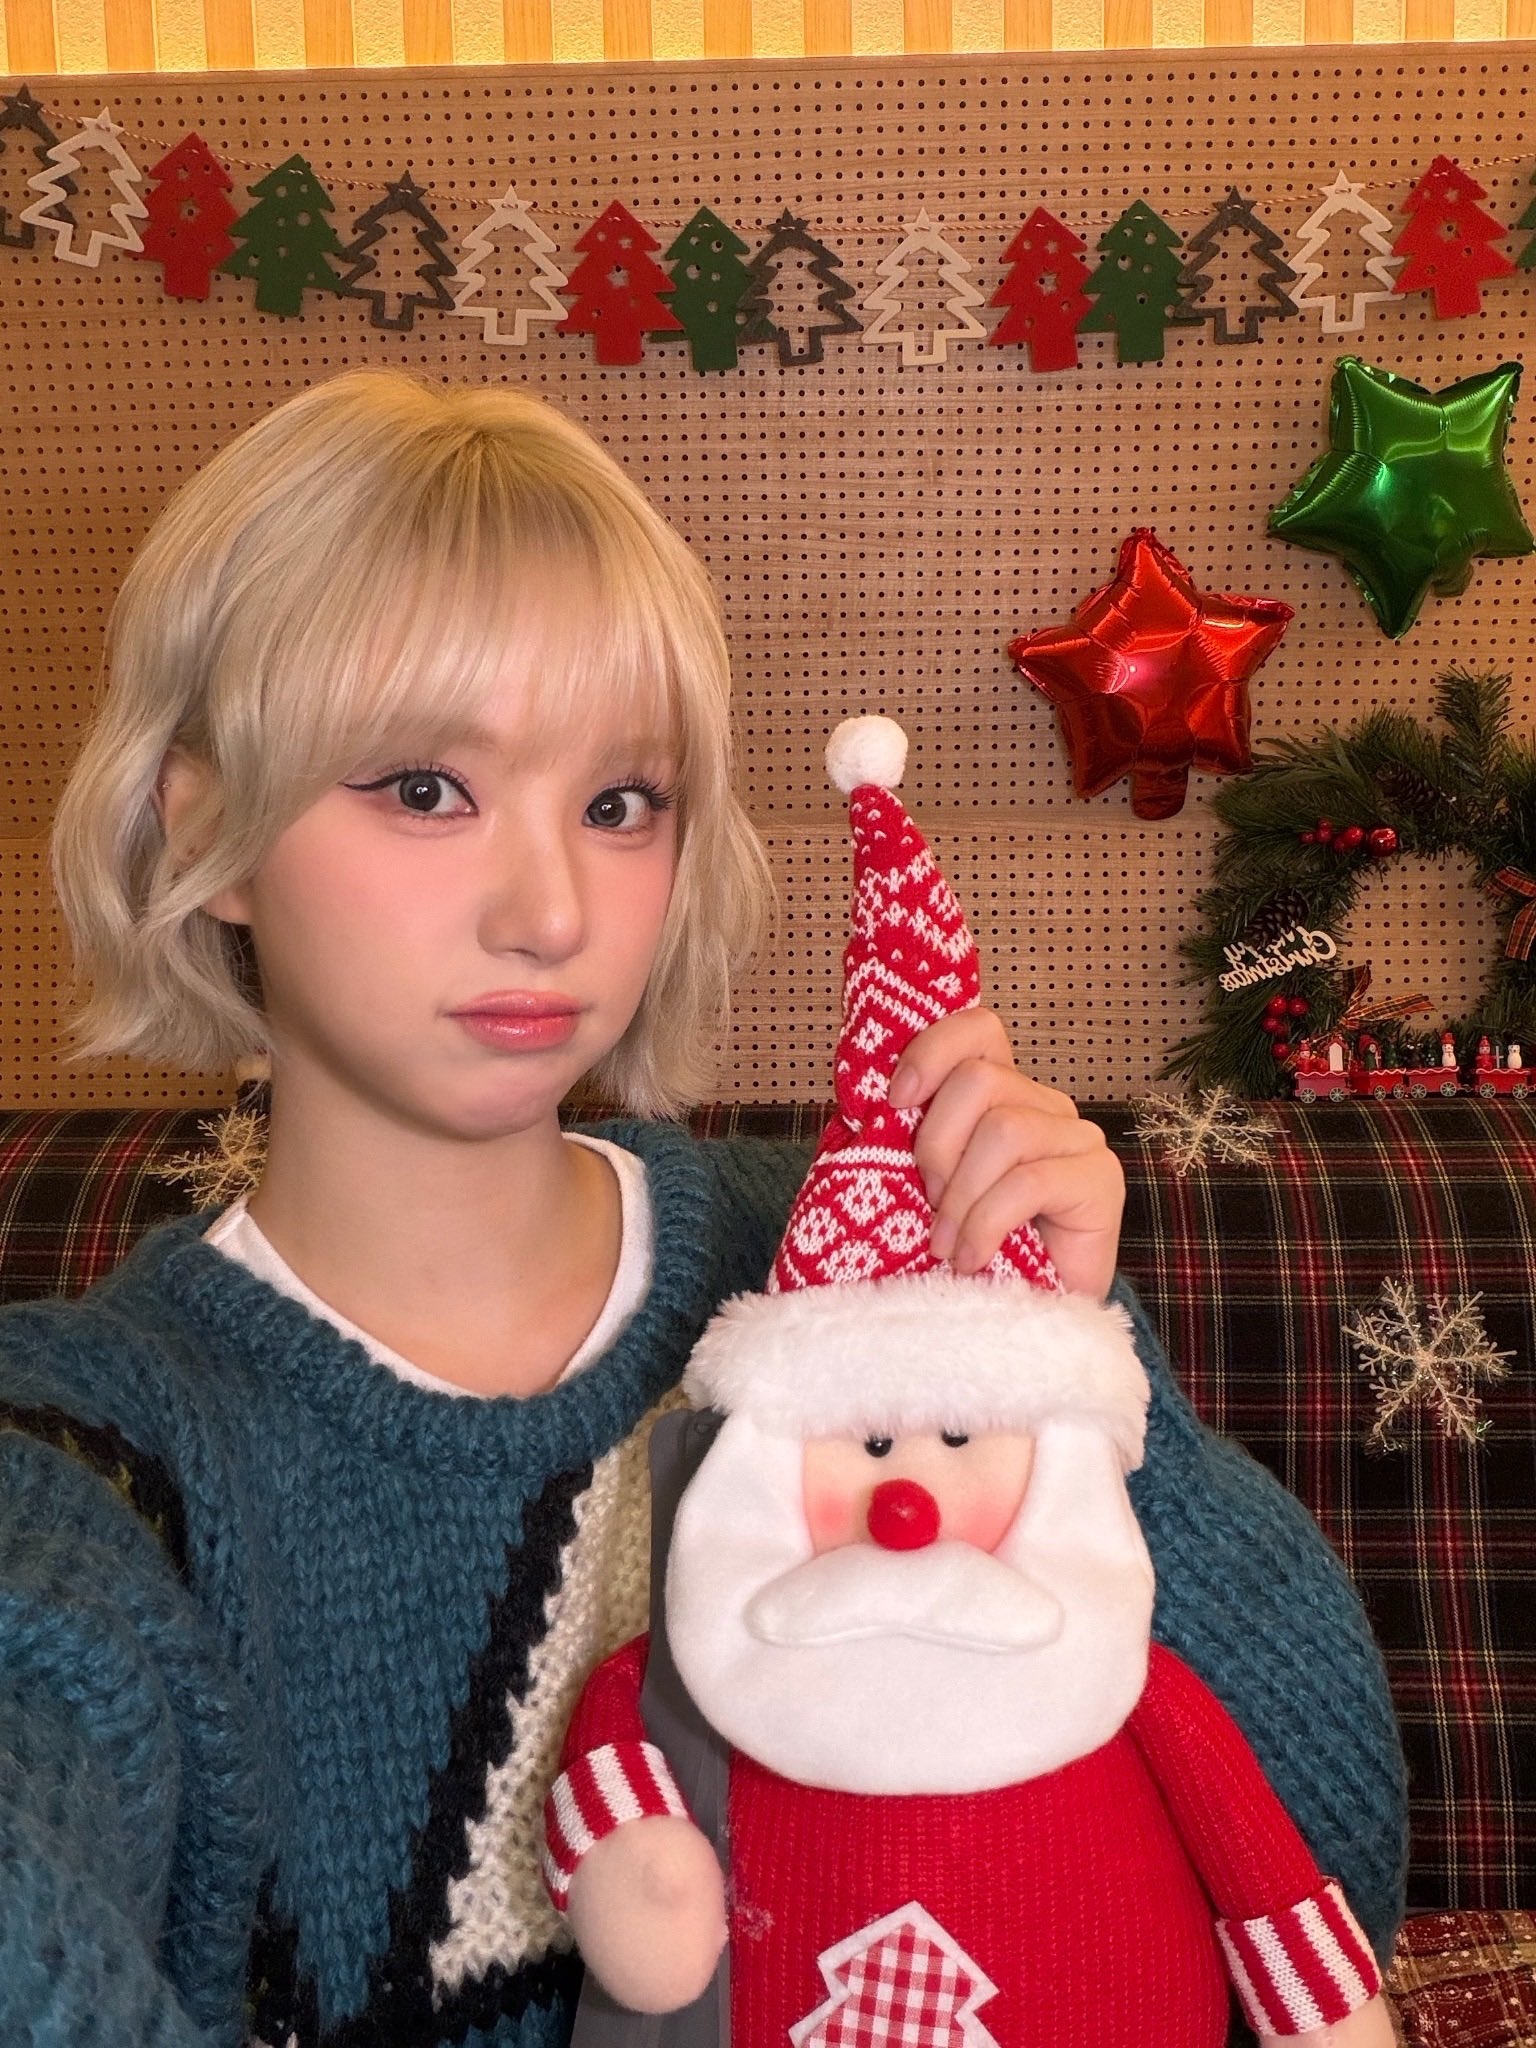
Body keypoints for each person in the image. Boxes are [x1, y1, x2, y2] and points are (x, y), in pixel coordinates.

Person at [0, 369, 1402, 2048]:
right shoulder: (86, 1451)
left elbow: (1328, 1866)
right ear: (208, 824)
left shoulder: (830, 1284)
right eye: (425, 787)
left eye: (620, 805)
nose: (549, 912)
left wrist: (1079, 1376)